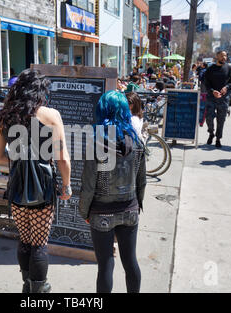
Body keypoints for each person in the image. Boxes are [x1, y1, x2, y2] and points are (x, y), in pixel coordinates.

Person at [0, 69, 71, 293]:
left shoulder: (3, 117)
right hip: (43, 187)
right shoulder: (51, 115)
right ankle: (39, 290)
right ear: (40, 91)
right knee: (39, 241)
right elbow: (62, 158)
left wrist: (20, 160)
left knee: (25, 238)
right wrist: (67, 186)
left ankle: (27, 285)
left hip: (17, 184)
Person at [79, 90, 146, 293]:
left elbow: (89, 183)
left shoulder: (97, 141)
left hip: (101, 211)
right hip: (129, 208)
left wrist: (84, 211)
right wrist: (137, 204)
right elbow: (141, 180)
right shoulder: (136, 140)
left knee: (106, 265)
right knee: (130, 261)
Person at [203, 50, 231, 148]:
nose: (224, 58)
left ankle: (218, 138)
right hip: (211, 97)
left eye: (225, 56)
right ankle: (211, 133)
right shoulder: (210, 69)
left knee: (221, 120)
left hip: (223, 99)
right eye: (222, 56)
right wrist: (213, 91)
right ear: (217, 56)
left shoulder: (229, 69)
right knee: (209, 118)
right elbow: (206, 83)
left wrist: (227, 87)